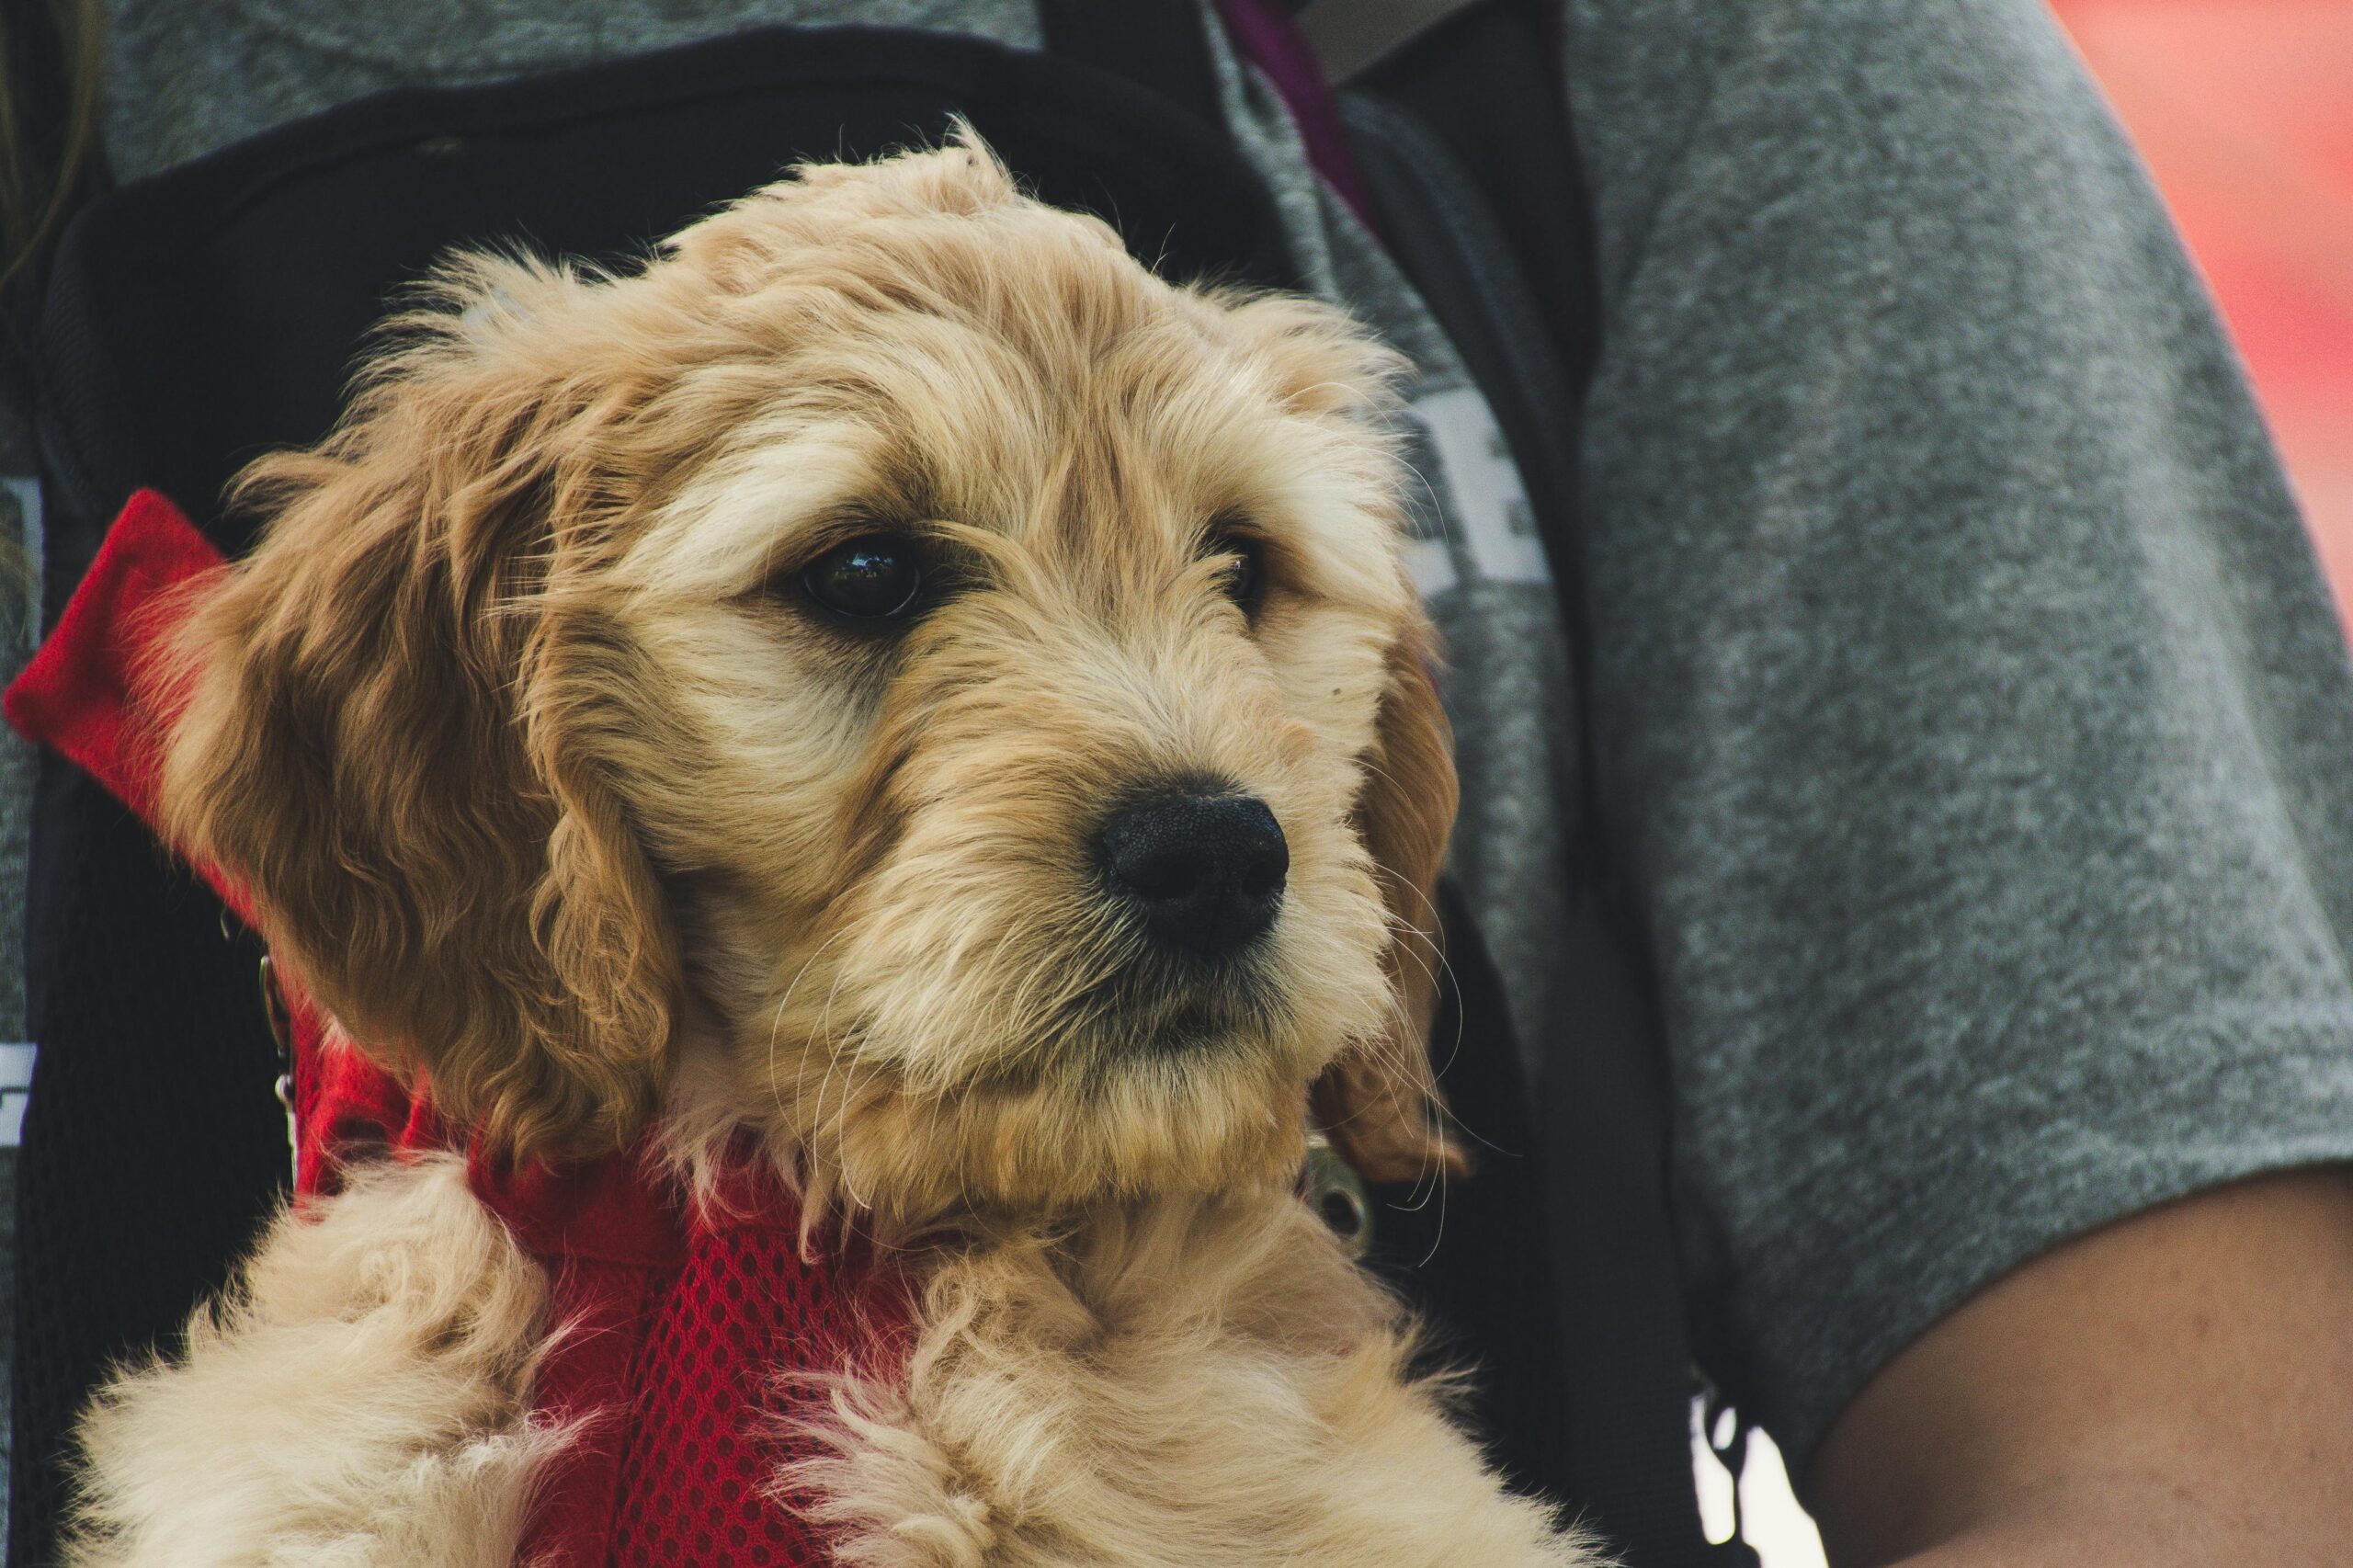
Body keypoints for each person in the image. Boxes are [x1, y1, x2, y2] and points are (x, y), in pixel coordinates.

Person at [6, 2, 2352, 1563]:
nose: (1190, 787)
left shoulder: (1639, 58)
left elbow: (2221, 1459)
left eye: (1244, 572)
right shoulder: (350, 1425)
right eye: (859, 579)